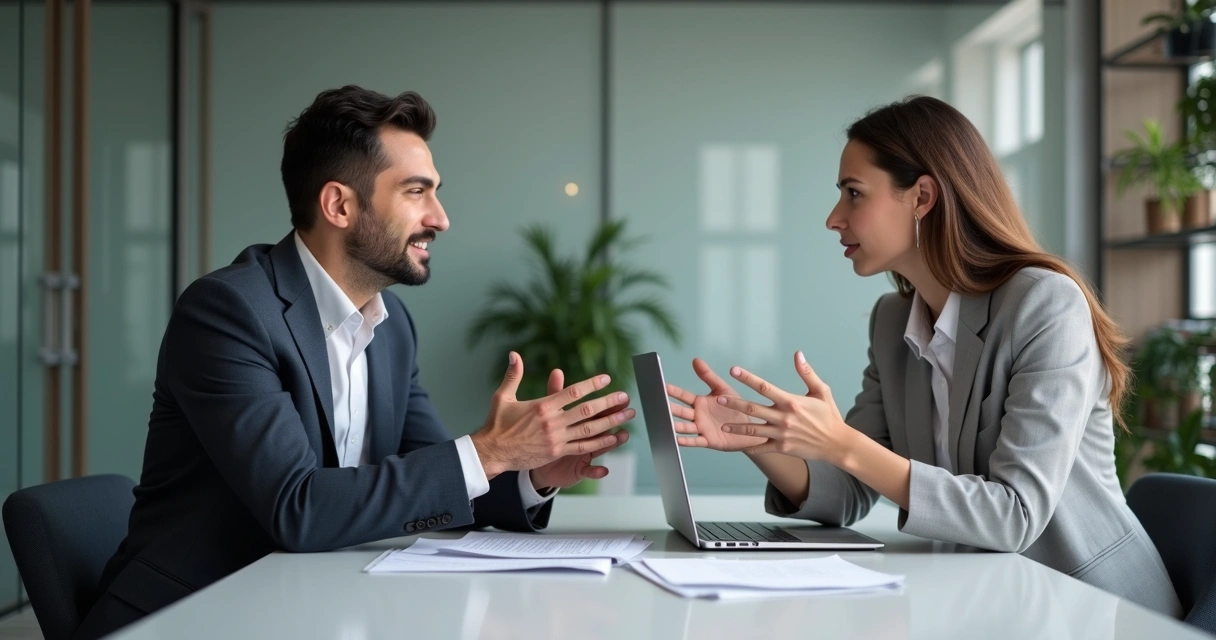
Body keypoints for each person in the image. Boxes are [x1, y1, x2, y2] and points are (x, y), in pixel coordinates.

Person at [75, 86, 634, 639]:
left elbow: (434, 473)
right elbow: (297, 508)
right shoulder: (229, 312)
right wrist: (490, 450)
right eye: (416, 192)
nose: (440, 218)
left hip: (308, 603)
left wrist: (529, 470)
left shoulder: (391, 329)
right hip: (192, 614)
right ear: (339, 204)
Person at [667, 96, 1182, 617]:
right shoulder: (892, 322)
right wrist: (757, 437)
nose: (833, 218)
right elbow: (848, 491)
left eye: (853, 194)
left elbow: (1015, 516)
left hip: (1097, 609)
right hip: (992, 603)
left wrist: (841, 442)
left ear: (922, 196)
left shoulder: (1044, 305)